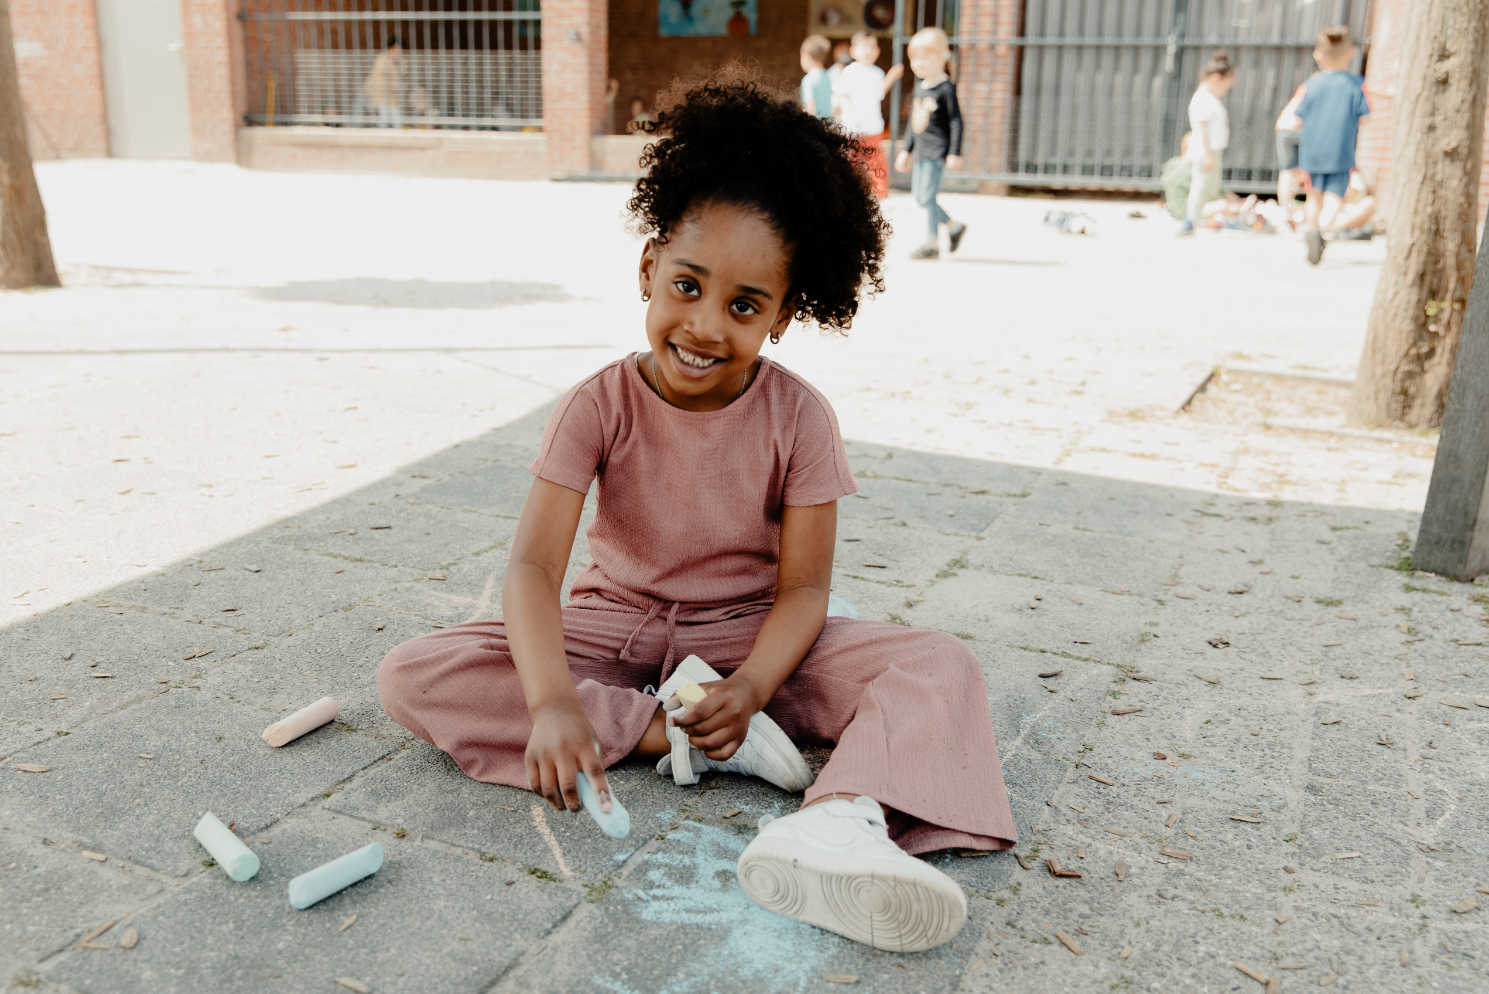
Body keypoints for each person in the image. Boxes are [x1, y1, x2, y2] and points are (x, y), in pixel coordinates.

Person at [377, 68, 1017, 954]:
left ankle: (833, 821)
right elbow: (530, 569)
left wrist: (752, 685)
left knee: (937, 667)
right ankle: (683, 739)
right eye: (687, 285)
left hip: (753, 643)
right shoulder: (597, 404)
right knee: (417, 672)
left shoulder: (801, 418)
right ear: (648, 267)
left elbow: (804, 591)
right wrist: (555, 701)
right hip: (611, 630)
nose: (705, 326)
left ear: (784, 316)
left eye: (744, 305)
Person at [1296, 26, 1370, 265]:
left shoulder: (1311, 84)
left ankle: (1309, 228)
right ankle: (1322, 231)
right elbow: (1366, 117)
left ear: (1318, 55)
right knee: (1334, 198)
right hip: (1341, 152)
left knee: (1313, 197)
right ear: (1350, 52)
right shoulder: (1356, 84)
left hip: (1312, 152)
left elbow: (1297, 117)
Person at [893, 27, 965, 259]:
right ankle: (953, 227)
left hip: (937, 150)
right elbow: (915, 123)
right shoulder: (919, 87)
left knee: (927, 197)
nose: (919, 63)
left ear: (941, 57)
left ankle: (932, 242)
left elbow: (956, 122)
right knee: (920, 197)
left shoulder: (945, 88)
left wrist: (954, 152)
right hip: (922, 151)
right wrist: (906, 150)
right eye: (915, 58)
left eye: (925, 57)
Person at [833, 31, 904, 199]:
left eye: (871, 47)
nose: (867, 51)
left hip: (873, 127)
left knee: (876, 163)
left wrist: (891, 77)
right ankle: (846, 193)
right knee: (851, 162)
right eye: (863, 47)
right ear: (853, 51)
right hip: (853, 128)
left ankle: (881, 195)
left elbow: (879, 93)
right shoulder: (850, 71)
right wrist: (851, 114)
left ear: (877, 51)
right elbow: (843, 95)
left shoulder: (878, 72)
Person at [1178, 50, 1234, 236]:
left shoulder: (1209, 98)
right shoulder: (1202, 98)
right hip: (1205, 150)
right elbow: (1201, 129)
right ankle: (1190, 221)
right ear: (1216, 78)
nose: (1225, 91)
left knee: (1210, 186)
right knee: (1201, 186)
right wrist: (1207, 154)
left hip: (1212, 149)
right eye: (1225, 87)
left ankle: (1201, 218)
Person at [1274, 82, 1306, 229]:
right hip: (1297, 129)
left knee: (1287, 172)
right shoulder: (1316, 88)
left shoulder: (1305, 87)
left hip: (1283, 128)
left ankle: (1286, 213)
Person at [362, 36, 405, 129]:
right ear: (390, 48)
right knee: (384, 117)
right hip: (381, 97)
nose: (398, 52)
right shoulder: (382, 59)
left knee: (397, 119)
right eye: (396, 49)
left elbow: (403, 74)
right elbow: (379, 79)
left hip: (393, 99)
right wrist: (392, 84)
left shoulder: (399, 61)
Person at [799, 34, 835, 118]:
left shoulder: (808, 80)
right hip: (829, 125)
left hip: (816, 126)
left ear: (806, 57)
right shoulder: (829, 76)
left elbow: (810, 106)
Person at [1159, 132, 1193, 219]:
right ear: (1184, 149)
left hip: (1173, 206)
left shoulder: (1173, 163)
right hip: (1185, 209)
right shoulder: (1187, 170)